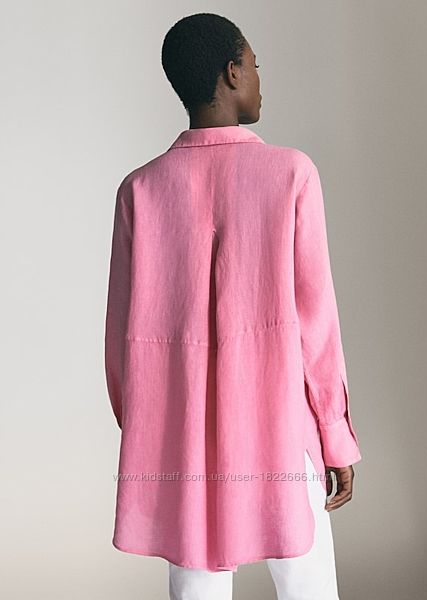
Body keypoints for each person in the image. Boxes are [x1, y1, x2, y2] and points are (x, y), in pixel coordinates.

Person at [104, 12, 362, 600]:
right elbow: (317, 325)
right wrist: (334, 435)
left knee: (196, 582)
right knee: (307, 582)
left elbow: (120, 340)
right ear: (232, 72)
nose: (260, 79)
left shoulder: (139, 190)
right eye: (254, 65)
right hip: (282, 428)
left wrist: (154, 427)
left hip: (182, 436)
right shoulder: (291, 174)